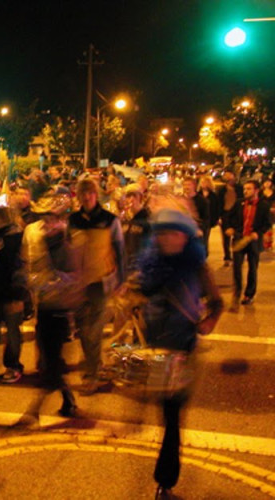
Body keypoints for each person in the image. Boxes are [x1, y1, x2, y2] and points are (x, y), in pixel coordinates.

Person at [130, 208, 223, 498]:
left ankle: (165, 481)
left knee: (171, 418)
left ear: (185, 237)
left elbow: (217, 302)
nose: (168, 239)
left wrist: (208, 322)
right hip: (156, 350)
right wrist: (129, 298)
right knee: (161, 411)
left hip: (182, 350)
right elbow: (137, 296)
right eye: (163, 234)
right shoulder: (150, 266)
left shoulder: (196, 266)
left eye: (174, 233)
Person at [23, 192, 80, 417]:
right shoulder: (45, 241)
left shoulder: (66, 244)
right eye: (44, 220)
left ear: (60, 221)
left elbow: (74, 276)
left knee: (52, 359)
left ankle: (39, 407)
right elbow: (34, 268)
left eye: (50, 220)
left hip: (59, 310)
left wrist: (50, 282)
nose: (46, 225)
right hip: (45, 307)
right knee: (48, 357)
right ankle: (65, 398)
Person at [68, 177, 124, 395]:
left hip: (101, 282)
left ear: (96, 195)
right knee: (83, 331)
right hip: (79, 283)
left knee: (94, 331)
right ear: (79, 197)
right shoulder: (73, 220)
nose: (87, 197)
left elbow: (120, 250)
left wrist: (121, 279)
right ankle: (95, 365)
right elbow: (67, 248)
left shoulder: (110, 220)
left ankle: (91, 374)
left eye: (91, 193)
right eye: (83, 194)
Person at [0, 205, 28, 383]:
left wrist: (17, 294)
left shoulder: (14, 238)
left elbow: (17, 268)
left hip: (10, 292)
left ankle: (14, 365)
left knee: (12, 331)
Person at [228, 180, 271, 311]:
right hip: (239, 240)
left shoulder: (263, 205)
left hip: (253, 242)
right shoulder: (238, 203)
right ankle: (236, 294)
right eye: (245, 189)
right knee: (236, 269)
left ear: (256, 190)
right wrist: (230, 228)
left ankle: (249, 294)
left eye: (249, 189)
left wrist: (259, 233)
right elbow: (229, 217)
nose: (245, 191)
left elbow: (267, 223)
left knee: (252, 268)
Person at [217, 171, 242, 266]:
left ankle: (237, 255)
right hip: (225, 215)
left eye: (229, 175)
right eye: (225, 175)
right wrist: (218, 217)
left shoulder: (240, 188)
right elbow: (218, 204)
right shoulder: (222, 190)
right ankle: (227, 257)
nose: (227, 177)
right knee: (225, 238)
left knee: (237, 236)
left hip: (237, 215)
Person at [195, 175, 220, 256]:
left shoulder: (213, 195)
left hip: (208, 221)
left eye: (205, 182)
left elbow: (216, 208)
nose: (203, 184)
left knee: (205, 238)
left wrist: (216, 219)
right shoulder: (198, 195)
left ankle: (204, 255)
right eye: (202, 182)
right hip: (198, 220)